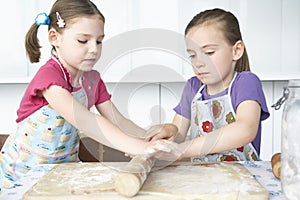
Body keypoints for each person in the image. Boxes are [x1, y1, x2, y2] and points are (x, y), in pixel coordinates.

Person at [0, 0, 177, 190]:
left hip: (60, 173)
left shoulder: (92, 80)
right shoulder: (50, 78)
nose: (94, 49)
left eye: (99, 41)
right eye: (83, 40)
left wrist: (150, 140)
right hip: (22, 176)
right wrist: (137, 147)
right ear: (54, 37)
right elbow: (87, 121)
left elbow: (118, 120)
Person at [151, 8, 270, 162]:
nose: (199, 63)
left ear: (236, 51)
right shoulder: (193, 87)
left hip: (242, 180)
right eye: (192, 55)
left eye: (209, 52)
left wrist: (182, 150)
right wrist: (168, 131)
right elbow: (178, 137)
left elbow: (245, 129)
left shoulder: (245, 82)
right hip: (202, 180)